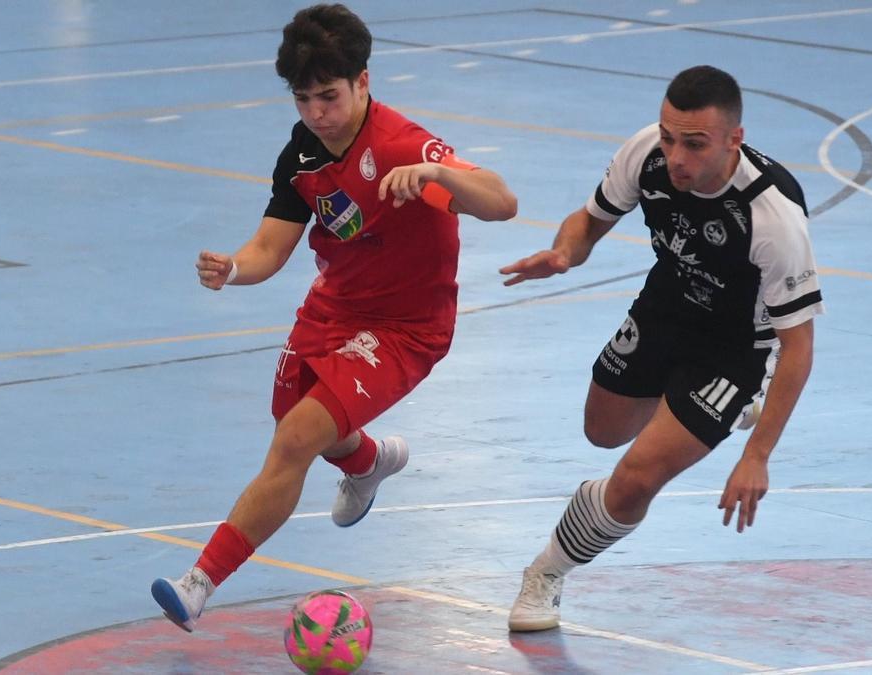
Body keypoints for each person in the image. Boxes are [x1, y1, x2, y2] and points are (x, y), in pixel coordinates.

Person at [151, 3, 516, 632]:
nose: (317, 113)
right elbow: (270, 248)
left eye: (329, 96)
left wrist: (437, 173)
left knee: (295, 439)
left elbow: (503, 202)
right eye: (303, 100)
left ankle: (198, 583)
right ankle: (367, 460)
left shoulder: (402, 145)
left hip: (407, 327)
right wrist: (233, 270)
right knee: (295, 424)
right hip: (334, 308)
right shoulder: (303, 155)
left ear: (363, 82)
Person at [499, 65, 822, 631]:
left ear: (733, 140)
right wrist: (565, 254)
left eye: (694, 144)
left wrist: (757, 456)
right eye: (670, 137)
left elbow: (800, 345)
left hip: (736, 347)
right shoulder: (647, 154)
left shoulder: (773, 218)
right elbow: (590, 219)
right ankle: (603, 500)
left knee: (636, 480)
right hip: (669, 302)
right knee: (601, 431)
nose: (676, 156)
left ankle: (545, 573)